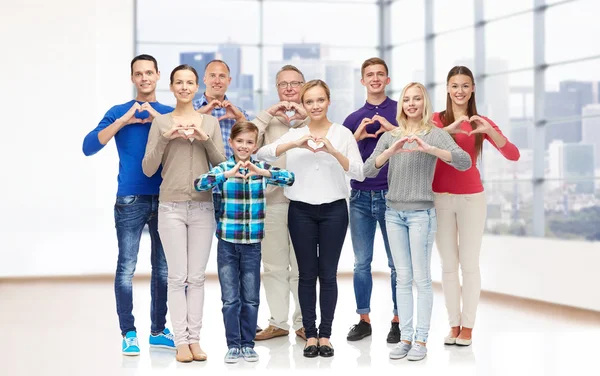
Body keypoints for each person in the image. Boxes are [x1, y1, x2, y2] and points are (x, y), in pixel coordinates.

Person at [363, 82, 471, 361]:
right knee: (402, 278)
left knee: (422, 279)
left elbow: (463, 162)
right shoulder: (391, 136)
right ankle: (406, 337)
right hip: (393, 214)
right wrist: (390, 152)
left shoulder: (434, 134)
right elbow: (365, 170)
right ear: (401, 104)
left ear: (424, 104)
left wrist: (429, 149)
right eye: (406, 99)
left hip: (421, 214)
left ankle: (421, 341)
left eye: (417, 99)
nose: (411, 104)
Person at [257, 80, 364, 358]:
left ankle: (325, 335)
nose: (315, 106)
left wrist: (333, 151)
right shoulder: (296, 134)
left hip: (334, 212)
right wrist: (295, 143)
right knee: (306, 275)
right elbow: (261, 153)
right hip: (300, 211)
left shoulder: (342, 134)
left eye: (320, 100)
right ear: (303, 106)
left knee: (328, 275)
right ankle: (310, 334)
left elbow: (359, 172)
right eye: (310, 102)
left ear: (328, 101)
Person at [82, 54, 175, 355]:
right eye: (139, 73)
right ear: (132, 78)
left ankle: (158, 331)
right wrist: (125, 120)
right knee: (126, 267)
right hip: (130, 200)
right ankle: (128, 333)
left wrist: (156, 118)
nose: (145, 78)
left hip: (165, 199)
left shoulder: (169, 113)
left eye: (149, 72)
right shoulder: (119, 111)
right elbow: (89, 146)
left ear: (158, 75)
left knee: (162, 269)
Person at [141, 64, 226, 362]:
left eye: (190, 82)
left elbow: (221, 167)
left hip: (203, 207)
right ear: (172, 86)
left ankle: (195, 340)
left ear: (196, 86)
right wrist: (167, 137)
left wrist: (205, 138)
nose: (185, 87)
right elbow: (148, 167)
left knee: (197, 277)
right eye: (179, 82)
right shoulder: (161, 122)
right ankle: (180, 342)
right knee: (177, 278)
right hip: (171, 207)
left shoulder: (210, 123)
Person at [432, 66, 520, 347]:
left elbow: (513, 154)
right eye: (454, 85)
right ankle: (453, 324)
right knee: (448, 265)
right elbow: (423, 144)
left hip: (472, 198)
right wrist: (449, 129)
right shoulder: (435, 120)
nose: (459, 91)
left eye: (465, 86)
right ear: (447, 88)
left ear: (472, 90)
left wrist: (491, 133)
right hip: (440, 198)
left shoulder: (481, 122)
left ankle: (468, 327)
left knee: (469, 264)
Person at [195, 121, 295, 364]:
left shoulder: (260, 168)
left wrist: (263, 173)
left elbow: (289, 178)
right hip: (228, 243)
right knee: (230, 298)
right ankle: (233, 344)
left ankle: (248, 344)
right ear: (231, 143)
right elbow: (200, 183)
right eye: (239, 141)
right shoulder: (223, 169)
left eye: (249, 142)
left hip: (252, 244)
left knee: (250, 297)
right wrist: (226, 175)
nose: (244, 146)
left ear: (256, 145)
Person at [342, 57, 400, 343]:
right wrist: (357, 135)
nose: (375, 79)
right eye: (370, 75)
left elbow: (412, 145)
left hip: (393, 196)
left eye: (380, 74)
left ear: (387, 80)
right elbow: (343, 159)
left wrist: (391, 128)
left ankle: (398, 319)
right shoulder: (353, 119)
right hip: (360, 198)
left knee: (396, 263)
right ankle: (363, 319)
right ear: (363, 81)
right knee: (361, 263)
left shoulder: (401, 112)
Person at [252, 65, 309, 342]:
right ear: (276, 89)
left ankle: (303, 322)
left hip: (305, 204)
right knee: (273, 266)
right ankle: (278, 323)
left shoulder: (313, 118)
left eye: (295, 83)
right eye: (283, 84)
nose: (289, 88)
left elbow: (327, 140)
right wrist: (268, 114)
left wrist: (306, 116)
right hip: (273, 202)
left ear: (303, 86)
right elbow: (248, 145)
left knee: (302, 267)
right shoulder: (267, 121)